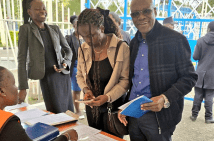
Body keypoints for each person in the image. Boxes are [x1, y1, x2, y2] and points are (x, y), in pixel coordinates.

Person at [118, 0, 198, 141]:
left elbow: (189, 78)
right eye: (135, 14)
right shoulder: (134, 42)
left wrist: (164, 99)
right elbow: (134, 80)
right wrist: (126, 106)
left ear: (155, 12)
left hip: (159, 117)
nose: (141, 17)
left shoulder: (175, 40)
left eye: (146, 11)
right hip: (134, 115)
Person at [76, 8, 129, 137]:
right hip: (92, 110)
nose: (87, 40)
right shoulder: (83, 49)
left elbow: (125, 81)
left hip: (113, 110)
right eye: (83, 36)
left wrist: (107, 97)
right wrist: (86, 91)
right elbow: (79, 76)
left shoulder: (121, 48)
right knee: (95, 138)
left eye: (92, 35)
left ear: (102, 28)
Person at [0, 65, 78, 141]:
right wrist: (66, 136)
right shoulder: (7, 125)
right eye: (14, 84)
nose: (17, 88)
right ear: (1, 91)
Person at [18, 0, 74, 113]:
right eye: (38, 9)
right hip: (47, 77)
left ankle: (72, 130)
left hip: (63, 76)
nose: (42, 11)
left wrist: (65, 63)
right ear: (29, 12)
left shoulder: (55, 29)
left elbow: (68, 51)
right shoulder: (26, 29)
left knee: (69, 112)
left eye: (43, 8)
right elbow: (22, 59)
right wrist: (23, 87)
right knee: (56, 113)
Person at [190, 21, 214, 124]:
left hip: (200, 72)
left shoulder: (200, 41)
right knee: (209, 96)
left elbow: (195, 57)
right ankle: (208, 117)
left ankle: (194, 115)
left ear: (208, 29)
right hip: (212, 74)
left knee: (198, 95)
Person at [65, 15, 85, 119]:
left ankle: (87, 107)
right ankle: (77, 110)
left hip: (87, 66)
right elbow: (66, 53)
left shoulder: (87, 37)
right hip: (76, 66)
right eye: (77, 25)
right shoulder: (69, 38)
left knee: (87, 88)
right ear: (73, 26)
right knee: (77, 90)